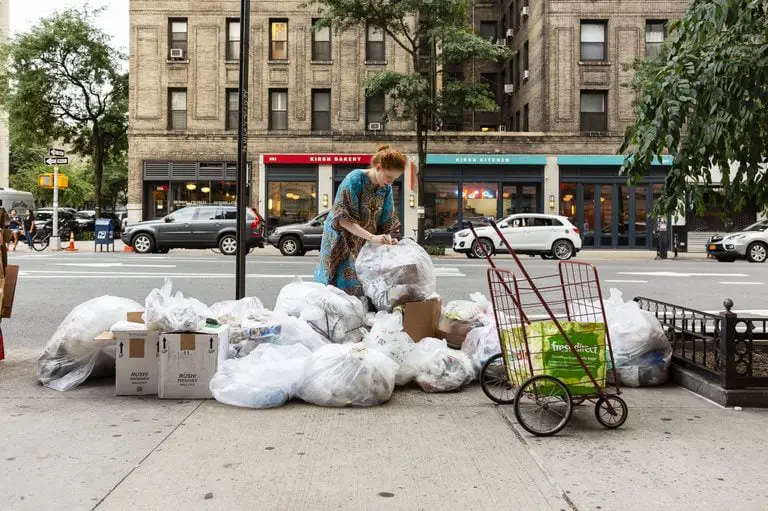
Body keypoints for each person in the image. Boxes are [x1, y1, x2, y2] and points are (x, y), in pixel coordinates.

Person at [314, 145, 405, 296]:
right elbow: (342, 219)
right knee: (344, 284)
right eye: (389, 177)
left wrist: (388, 239)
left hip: (364, 243)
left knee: (364, 284)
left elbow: (386, 223)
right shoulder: (355, 179)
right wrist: (372, 237)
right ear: (378, 167)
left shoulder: (386, 189)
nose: (391, 182)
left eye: (394, 179)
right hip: (341, 241)